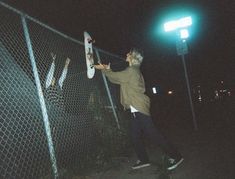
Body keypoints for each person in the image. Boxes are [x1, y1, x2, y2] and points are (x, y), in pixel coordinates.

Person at [94, 48, 183, 170]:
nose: (126, 54)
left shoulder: (131, 70)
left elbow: (116, 78)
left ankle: (176, 156)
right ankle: (143, 159)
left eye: (129, 53)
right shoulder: (134, 70)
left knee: (153, 134)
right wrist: (107, 69)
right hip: (136, 107)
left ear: (133, 57)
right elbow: (119, 78)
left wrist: (104, 69)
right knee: (134, 135)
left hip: (138, 106)